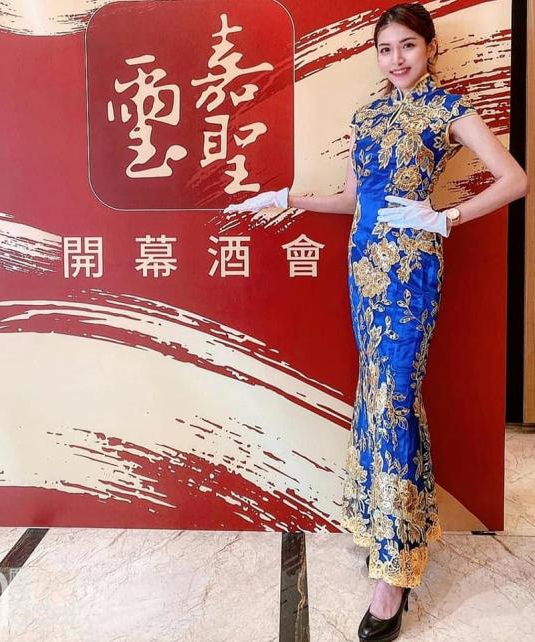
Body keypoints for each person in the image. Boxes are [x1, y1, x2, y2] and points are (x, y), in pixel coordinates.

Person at [223, 2, 529, 640]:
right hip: (362, 268)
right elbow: (351, 198)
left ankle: (392, 575)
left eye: (408, 45)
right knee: (376, 393)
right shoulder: (367, 115)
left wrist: (446, 217)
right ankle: (391, 526)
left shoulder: (448, 109)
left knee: (394, 398)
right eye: (385, 48)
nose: (396, 59)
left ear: (430, 48)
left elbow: (514, 179)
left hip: (412, 268)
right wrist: (287, 197)